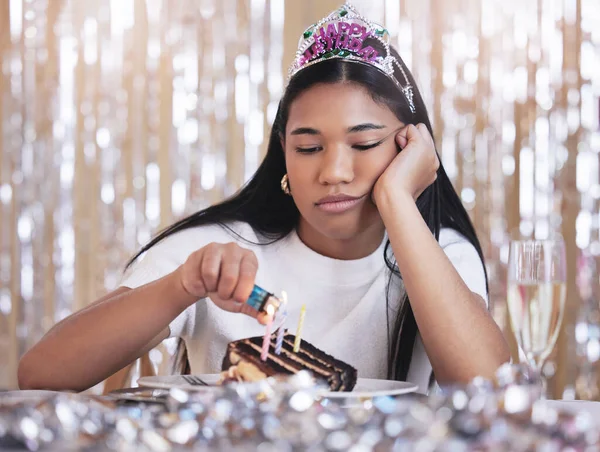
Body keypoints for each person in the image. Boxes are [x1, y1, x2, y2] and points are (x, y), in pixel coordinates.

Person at [18, 3, 509, 393]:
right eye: (309, 148)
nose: (334, 172)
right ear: (284, 156)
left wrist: (399, 202)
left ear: (410, 146)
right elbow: (41, 373)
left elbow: (487, 388)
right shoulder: (220, 248)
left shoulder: (438, 255)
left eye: (363, 145)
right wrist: (182, 285)